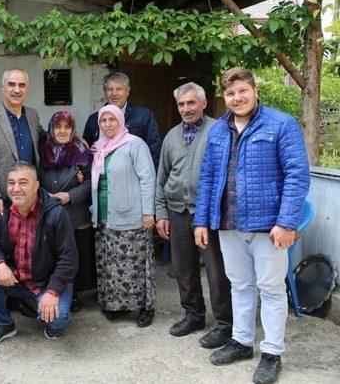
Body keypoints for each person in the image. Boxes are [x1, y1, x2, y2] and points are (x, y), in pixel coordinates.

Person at [194, 67, 310, 384]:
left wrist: (287, 222)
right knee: (240, 285)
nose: (237, 98)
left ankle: (272, 353)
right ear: (224, 97)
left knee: (271, 289)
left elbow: (297, 177)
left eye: (242, 91)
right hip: (228, 224)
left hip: (269, 227)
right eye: (230, 93)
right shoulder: (218, 131)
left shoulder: (281, 124)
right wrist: (201, 220)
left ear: (254, 90)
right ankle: (242, 342)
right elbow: (206, 178)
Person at [155, 82, 232, 348]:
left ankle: (225, 324)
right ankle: (193, 315)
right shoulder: (172, 136)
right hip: (177, 212)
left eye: (191, 103)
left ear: (203, 103)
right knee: (183, 269)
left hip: (208, 213)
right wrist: (160, 212)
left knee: (216, 271)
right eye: (181, 104)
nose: (186, 109)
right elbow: (161, 178)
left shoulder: (219, 130)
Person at [0, 162, 78, 346]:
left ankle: (44, 307)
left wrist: (53, 291)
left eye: (23, 182)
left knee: (56, 320)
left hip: (47, 282)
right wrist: (0, 264)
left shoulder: (55, 214)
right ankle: (4, 324)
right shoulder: (5, 212)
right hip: (19, 278)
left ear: (36, 185)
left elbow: (69, 259)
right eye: (11, 183)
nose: (16, 189)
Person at [0, 68, 43, 325]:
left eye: (22, 85)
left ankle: (19, 298)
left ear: (27, 89)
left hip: (29, 201)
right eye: (12, 84)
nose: (17, 89)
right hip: (0, 201)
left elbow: (45, 145)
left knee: (24, 253)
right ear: (2, 87)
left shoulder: (33, 116)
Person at [90, 104, 156, 327]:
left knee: (136, 263)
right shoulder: (100, 148)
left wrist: (149, 212)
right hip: (105, 216)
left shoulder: (135, 144)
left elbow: (148, 179)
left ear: (121, 122)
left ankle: (146, 307)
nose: (108, 124)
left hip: (132, 216)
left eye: (112, 120)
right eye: (103, 120)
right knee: (113, 264)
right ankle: (119, 305)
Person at [38, 111, 94, 312]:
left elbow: (89, 184)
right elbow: (35, 177)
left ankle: (74, 296)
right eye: (57, 126)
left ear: (73, 130)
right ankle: (52, 292)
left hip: (75, 215)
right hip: (48, 212)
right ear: (51, 129)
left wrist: (70, 196)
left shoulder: (83, 152)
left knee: (74, 256)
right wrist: (45, 197)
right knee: (52, 256)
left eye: (67, 127)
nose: (62, 131)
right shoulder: (42, 151)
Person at [82, 71, 161, 168]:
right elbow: (84, 152)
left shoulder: (144, 116)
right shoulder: (94, 119)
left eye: (119, 89)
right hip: (102, 176)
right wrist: (91, 151)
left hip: (135, 174)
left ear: (127, 91)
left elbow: (154, 150)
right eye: (110, 89)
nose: (114, 93)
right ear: (105, 92)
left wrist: (152, 177)